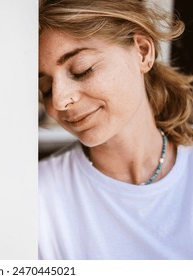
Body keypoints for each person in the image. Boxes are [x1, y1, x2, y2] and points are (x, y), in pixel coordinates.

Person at [38, 0, 193, 259]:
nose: (58, 101)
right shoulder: (41, 196)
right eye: (45, 88)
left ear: (142, 52)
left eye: (81, 70)